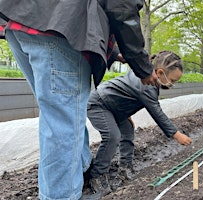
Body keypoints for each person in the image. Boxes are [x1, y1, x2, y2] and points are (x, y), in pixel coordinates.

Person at [0, 1, 158, 199]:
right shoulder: (144, 89)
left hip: (23, 20)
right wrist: (142, 66)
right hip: (61, 32)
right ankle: (61, 195)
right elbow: (122, 7)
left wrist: (117, 54)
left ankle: (81, 172)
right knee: (62, 123)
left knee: (61, 116)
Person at [86, 51, 192, 197]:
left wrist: (125, 113)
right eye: (172, 80)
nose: (172, 84)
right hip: (100, 104)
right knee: (112, 136)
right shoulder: (147, 85)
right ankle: (97, 175)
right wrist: (176, 134)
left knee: (128, 131)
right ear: (160, 72)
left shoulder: (144, 77)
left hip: (115, 107)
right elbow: (157, 113)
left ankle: (125, 166)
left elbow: (125, 93)